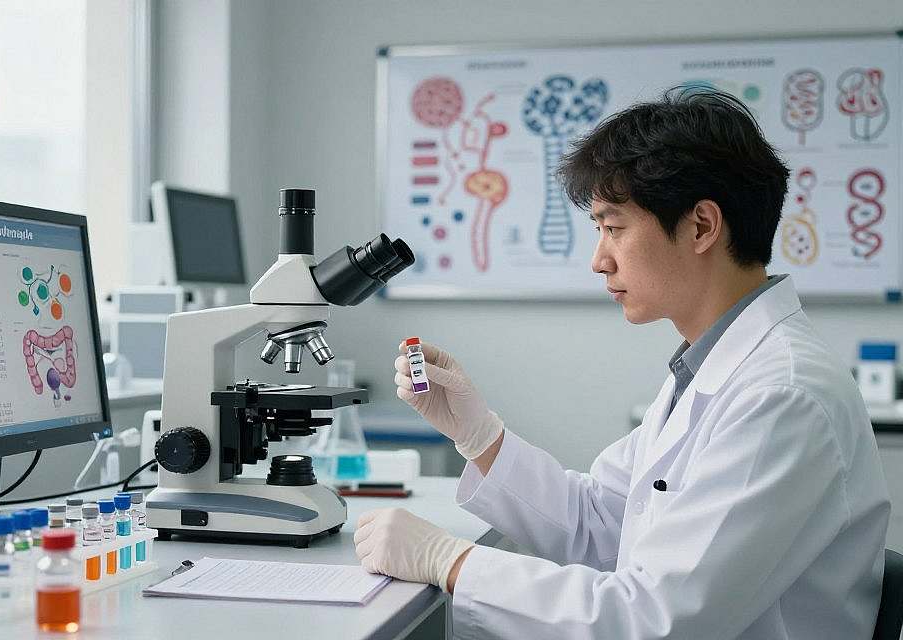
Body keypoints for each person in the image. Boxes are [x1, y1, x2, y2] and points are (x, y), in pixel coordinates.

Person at [353, 89, 890, 639]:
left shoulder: (781, 396)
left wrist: (451, 562)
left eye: (615, 228)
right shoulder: (709, 368)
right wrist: (478, 435)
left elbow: (653, 621)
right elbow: (599, 523)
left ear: (702, 227)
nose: (598, 260)